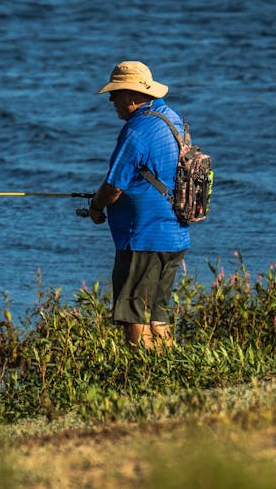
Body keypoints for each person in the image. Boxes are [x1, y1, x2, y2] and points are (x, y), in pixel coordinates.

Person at [86, 61, 190, 351]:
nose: (111, 101)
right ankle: (169, 372)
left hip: (142, 237)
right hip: (174, 235)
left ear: (132, 95)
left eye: (114, 94)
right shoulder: (171, 118)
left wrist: (96, 207)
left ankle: (141, 376)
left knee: (134, 315)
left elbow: (113, 186)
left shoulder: (136, 131)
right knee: (158, 314)